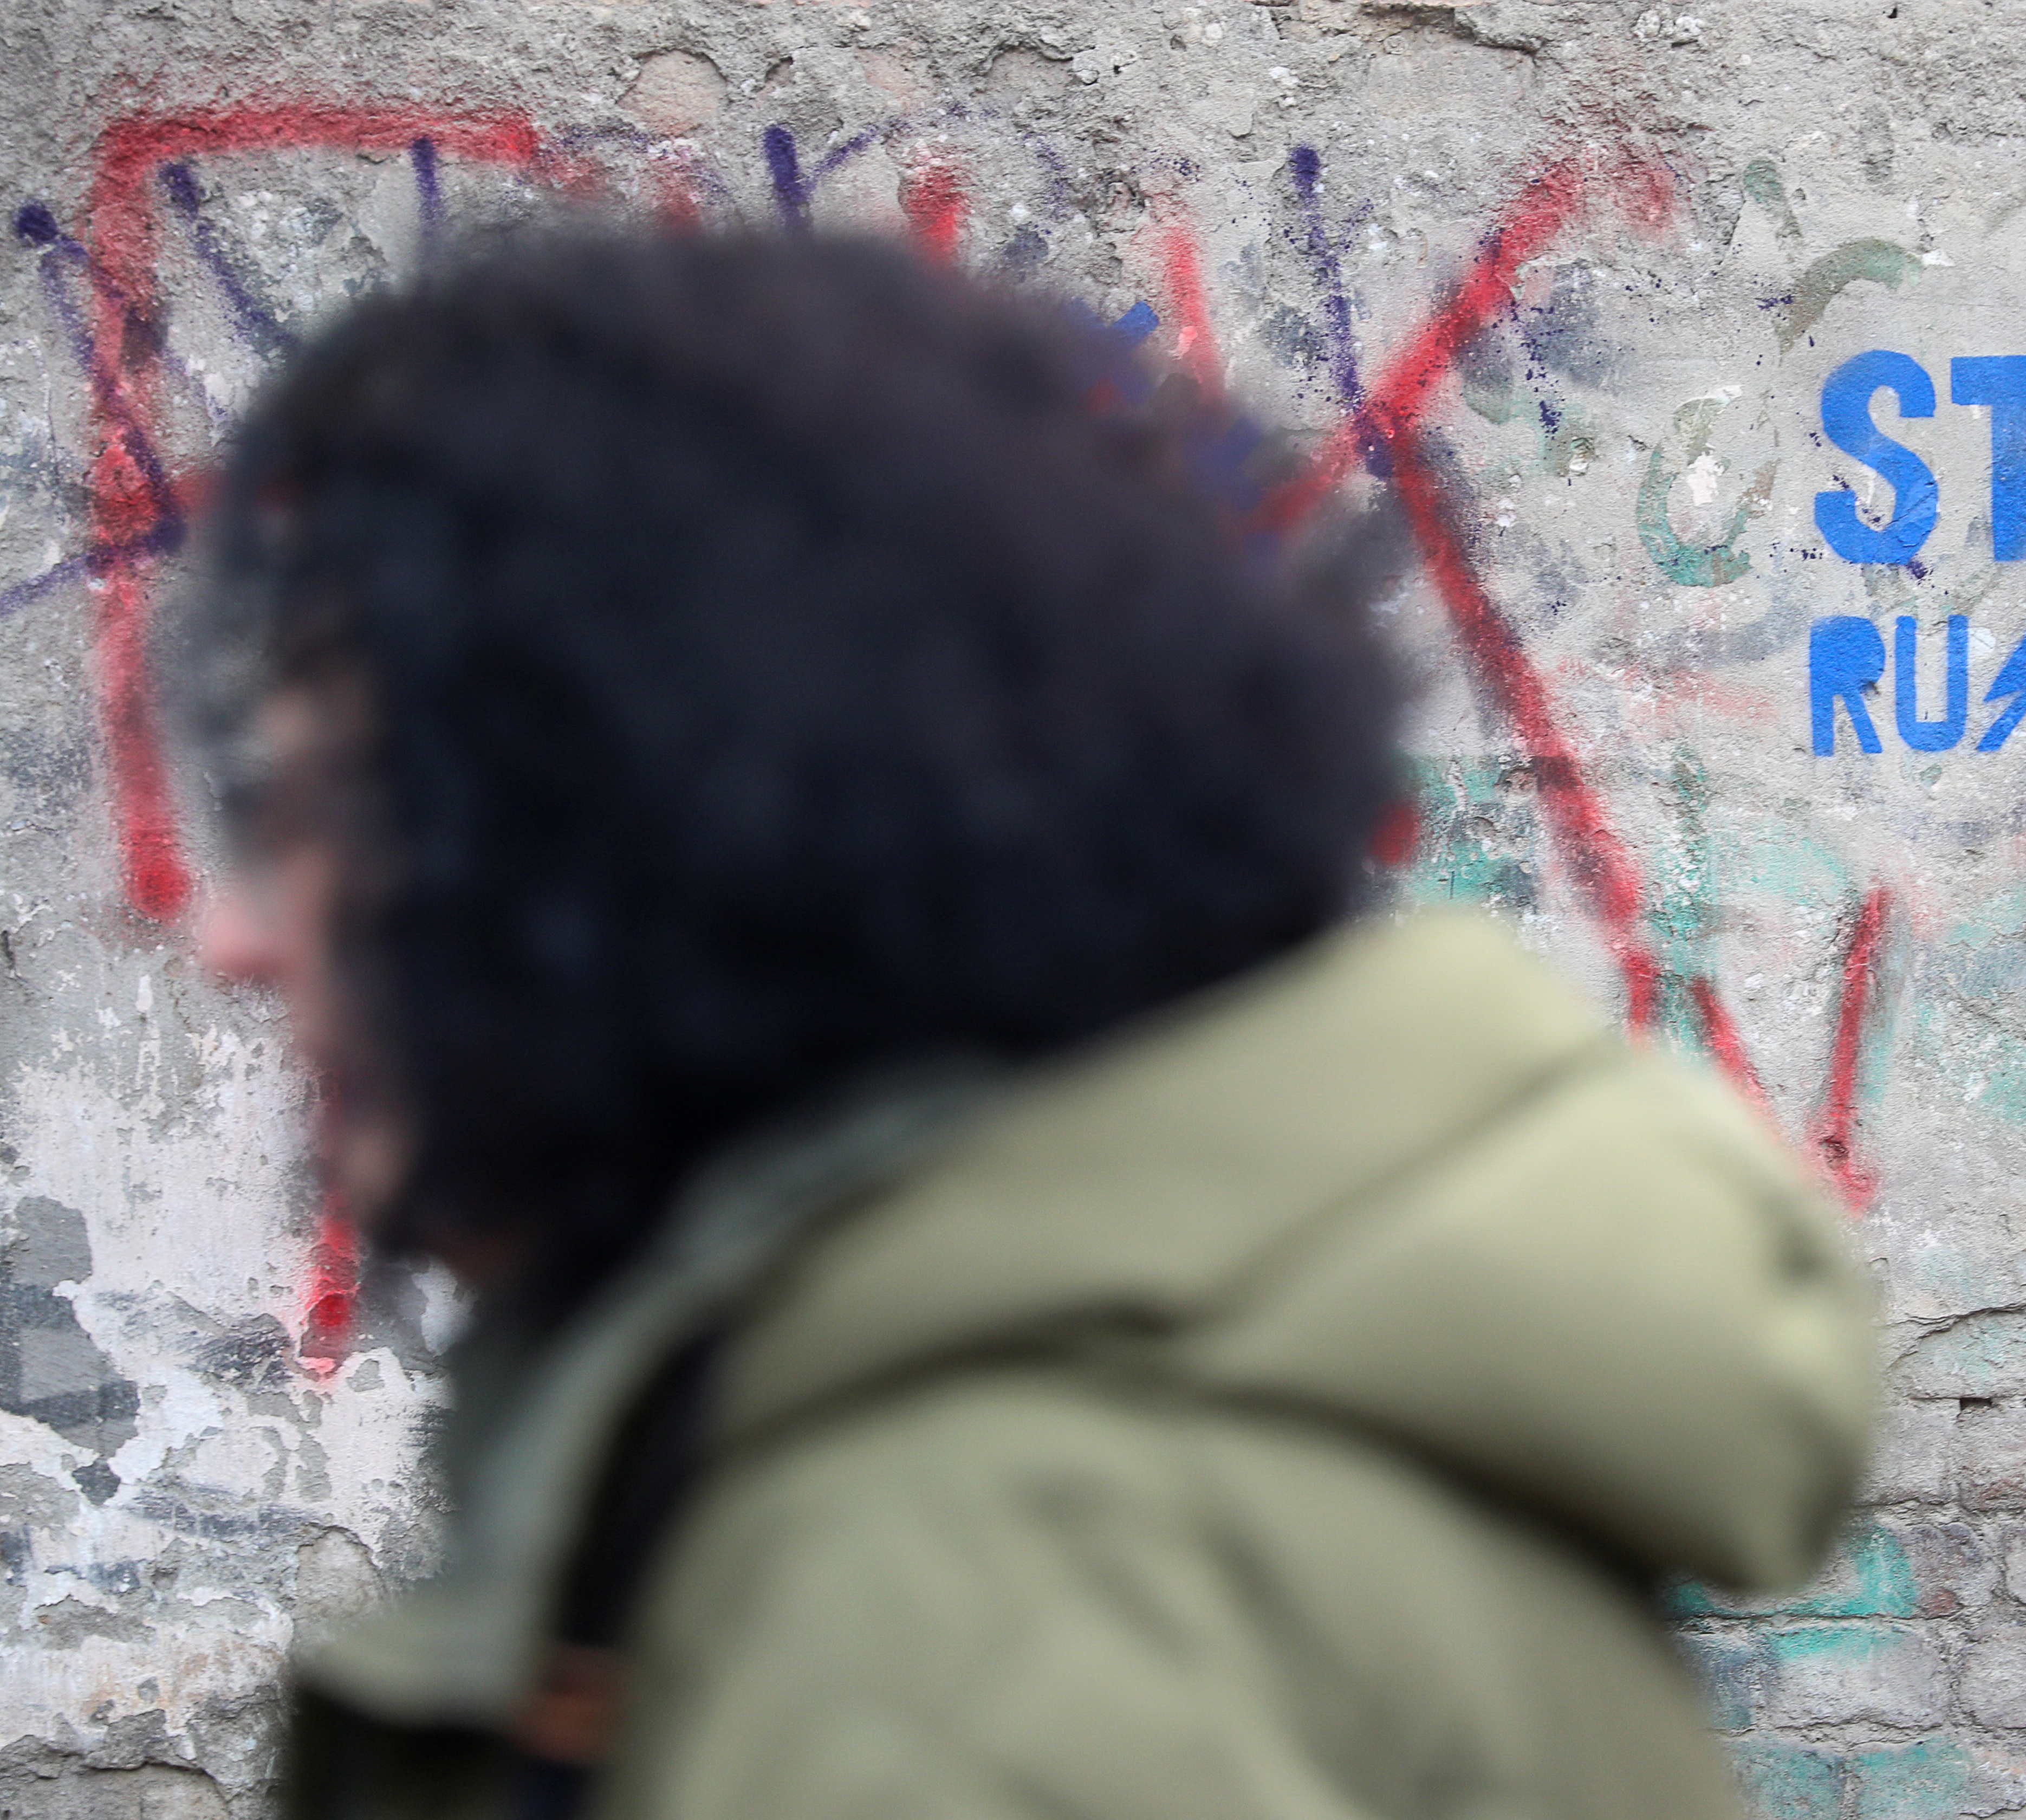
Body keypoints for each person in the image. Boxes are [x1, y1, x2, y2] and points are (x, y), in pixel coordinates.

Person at [174, 231, 1874, 1820]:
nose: (231, 932)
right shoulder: (1115, 1434)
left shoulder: (970, 1612)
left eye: (321, 805)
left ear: (662, 830)